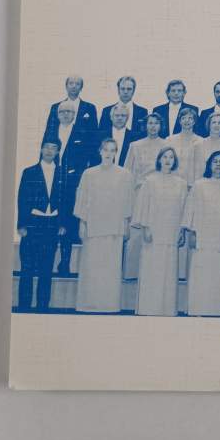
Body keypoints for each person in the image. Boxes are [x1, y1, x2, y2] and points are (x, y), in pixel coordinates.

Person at [74, 139, 133, 313]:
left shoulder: (124, 174)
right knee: (92, 267)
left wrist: (126, 224)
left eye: (112, 150)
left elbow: (128, 201)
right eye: (106, 150)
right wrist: (82, 223)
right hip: (93, 227)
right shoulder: (89, 174)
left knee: (110, 268)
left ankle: (109, 305)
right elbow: (82, 199)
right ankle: (88, 304)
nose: (108, 153)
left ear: (116, 153)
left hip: (114, 228)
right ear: (100, 151)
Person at [132, 147, 188, 316]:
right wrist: (146, 227)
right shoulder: (150, 181)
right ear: (159, 160)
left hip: (172, 231)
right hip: (153, 232)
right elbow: (143, 206)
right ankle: (149, 308)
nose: (168, 160)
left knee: (169, 271)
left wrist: (181, 230)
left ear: (175, 161)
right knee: (152, 269)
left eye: (171, 157)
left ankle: (167, 309)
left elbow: (184, 209)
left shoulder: (181, 183)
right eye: (165, 157)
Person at [182, 151, 220, 316]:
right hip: (202, 235)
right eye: (215, 161)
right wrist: (192, 233)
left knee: (219, 274)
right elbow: (191, 209)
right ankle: (198, 308)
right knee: (201, 272)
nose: (218, 165)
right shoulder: (199, 185)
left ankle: (218, 309)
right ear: (209, 165)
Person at [43, 100, 92, 276]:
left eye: (69, 112)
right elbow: (44, 153)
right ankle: (46, 262)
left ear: (74, 115)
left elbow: (85, 156)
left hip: (71, 183)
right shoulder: (51, 131)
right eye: (62, 112)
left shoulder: (81, 132)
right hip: (52, 180)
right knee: (52, 220)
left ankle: (65, 262)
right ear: (57, 115)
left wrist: (76, 174)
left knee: (68, 222)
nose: (65, 115)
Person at [16, 139, 66, 312]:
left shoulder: (62, 173)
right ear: (41, 149)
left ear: (58, 152)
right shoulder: (29, 172)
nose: (50, 151)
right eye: (47, 147)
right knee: (27, 268)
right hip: (33, 223)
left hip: (52, 225)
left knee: (46, 268)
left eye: (54, 148)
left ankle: (42, 308)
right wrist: (22, 225)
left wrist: (62, 224)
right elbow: (22, 199)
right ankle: (24, 308)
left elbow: (66, 200)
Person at [122, 112, 167, 280]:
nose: (153, 126)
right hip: (139, 192)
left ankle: (153, 273)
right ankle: (131, 273)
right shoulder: (135, 145)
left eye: (156, 123)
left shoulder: (166, 145)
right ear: (145, 126)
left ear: (161, 126)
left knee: (155, 231)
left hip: (160, 194)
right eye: (150, 123)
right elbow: (127, 173)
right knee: (136, 231)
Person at [191, 113, 220, 183]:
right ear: (209, 125)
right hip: (203, 185)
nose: (216, 125)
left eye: (219, 123)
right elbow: (196, 171)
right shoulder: (198, 145)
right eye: (214, 122)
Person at [96, 103, 136, 168]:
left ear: (127, 118)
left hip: (126, 173)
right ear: (111, 117)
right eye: (117, 115)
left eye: (123, 115)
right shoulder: (100, 136)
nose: (120, 118)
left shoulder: (134, 137)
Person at [168, 107, 199, 188]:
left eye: (190, 118)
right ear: (179, 121)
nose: (186, 121)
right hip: (173, 183)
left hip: (192, 185)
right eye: (183, 118)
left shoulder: (200, 141)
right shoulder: (170, 140)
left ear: (194, 121)